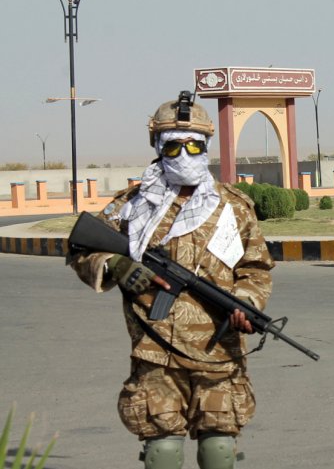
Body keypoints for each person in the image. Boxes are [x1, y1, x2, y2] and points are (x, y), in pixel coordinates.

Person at [69, 91, 275, 469]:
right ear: (158, 147)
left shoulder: (232, 206)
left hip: (219, 346)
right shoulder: (133, 205)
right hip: (155, 346)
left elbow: (256, 268)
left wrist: (247, 303)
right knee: (162, 450)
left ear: (207, 148)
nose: (185, 155)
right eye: (174, 146)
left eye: (195, 147)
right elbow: (81, 247)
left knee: (219, 449)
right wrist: (117, 265)